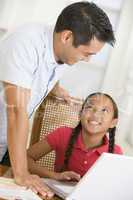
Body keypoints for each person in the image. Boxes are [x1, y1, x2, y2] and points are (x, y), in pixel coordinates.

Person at [0, 1, 115, 198]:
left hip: (5, 142)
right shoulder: (25, 43)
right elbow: (16, 110)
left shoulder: (60, 50)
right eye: (87, 53)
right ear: (67, 36)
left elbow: (45, 71)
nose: (88, 60)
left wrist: (55, 88)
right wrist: (22, 174)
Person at [27, 92, 123, 182]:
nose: (95, 114)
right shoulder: (62, 134)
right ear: (80, 115)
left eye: (104, 110)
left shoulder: (116, 153)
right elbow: (24, 158)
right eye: (90, 107)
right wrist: (55, 175)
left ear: (113, 122)